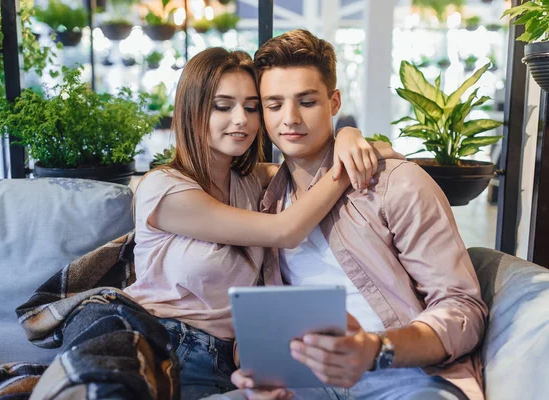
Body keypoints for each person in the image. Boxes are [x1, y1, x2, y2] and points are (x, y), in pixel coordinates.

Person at [124, 47, 402, 400]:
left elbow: (312, 164)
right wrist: (345, 169)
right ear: (192, 111)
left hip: (240, 359)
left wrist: (349, 136)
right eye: (223, 106)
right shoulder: (164, 188)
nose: (241, 119)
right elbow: (285, 231)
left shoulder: (252, 182)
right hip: (166, 345)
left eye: (252, 107)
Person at [228, 29, 488, 400]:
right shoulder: (264, 202)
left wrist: (376, 350)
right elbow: (253, 319)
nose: (291, 119)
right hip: (304, 382)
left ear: (334, 102)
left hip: (405, 377)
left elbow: (464, 310)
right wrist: (258, 368)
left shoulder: (397, 185)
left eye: (307, 101)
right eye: (274, 105)